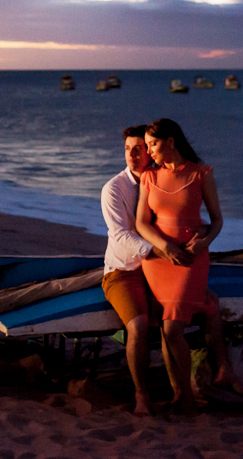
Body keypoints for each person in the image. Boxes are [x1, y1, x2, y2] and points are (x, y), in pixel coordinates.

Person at [135, 118, 243, 414]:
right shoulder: (149, 177)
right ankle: (180, 395)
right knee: (167, 328)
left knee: (172, 328)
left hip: (191, 257)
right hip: (159, 260)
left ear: (171, 142)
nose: (149, 151)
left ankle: (186, 399)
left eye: (153, 144)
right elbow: (141, 223)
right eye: (146, 145)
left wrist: (204, 242)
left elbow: (217, 220)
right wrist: (164, 247)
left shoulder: (202, 174)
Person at [100, 125, 160, 417]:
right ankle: (141, 395)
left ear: (150, 150)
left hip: (159, 268)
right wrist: (159, 250)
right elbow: (121, 236)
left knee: (197, 309)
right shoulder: (114, 189)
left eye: (138, 149)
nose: (132, 156)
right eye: (127, 149)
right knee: (137, 326)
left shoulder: (161, 180)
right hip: (122, 272)